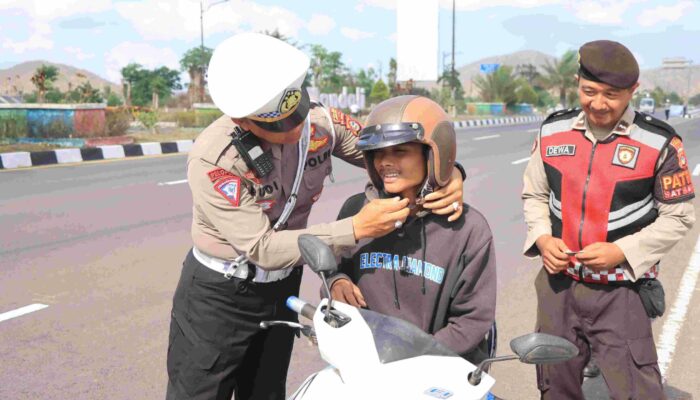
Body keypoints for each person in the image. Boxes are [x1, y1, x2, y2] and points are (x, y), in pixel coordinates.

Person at [165, 33, 467, 400]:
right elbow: (262, 247)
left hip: (281, 289)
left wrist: (449, 173)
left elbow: (396, 156)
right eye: (277, 125)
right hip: (219, 296)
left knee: (265, 392)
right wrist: (357, 227)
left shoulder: (322, 125)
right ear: (243, 120)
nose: (295, 128)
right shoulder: (216, 161)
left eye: (299, 113)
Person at [522, 39, 695, 399]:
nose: (598, 104)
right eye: (589, 91)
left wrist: (622, 252)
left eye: (612, 95)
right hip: (559, 287)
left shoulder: (660, 142)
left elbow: (677, 218)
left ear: (633, 91)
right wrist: (542, 238)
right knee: (555, 385)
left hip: (622, 291)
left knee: (636, 389)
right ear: (577, 83)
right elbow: (535, 195)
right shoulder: (552, 131)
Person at [328, 95, 497, 363]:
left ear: (433, 154)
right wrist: (336, 281)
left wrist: (413, 355)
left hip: (437, 366)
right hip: (366, 363)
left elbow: (473, 319)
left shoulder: (467, 228)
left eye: (400, 151)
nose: (385, 162)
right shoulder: (358, 211)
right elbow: (334, 266)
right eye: (378, 153)